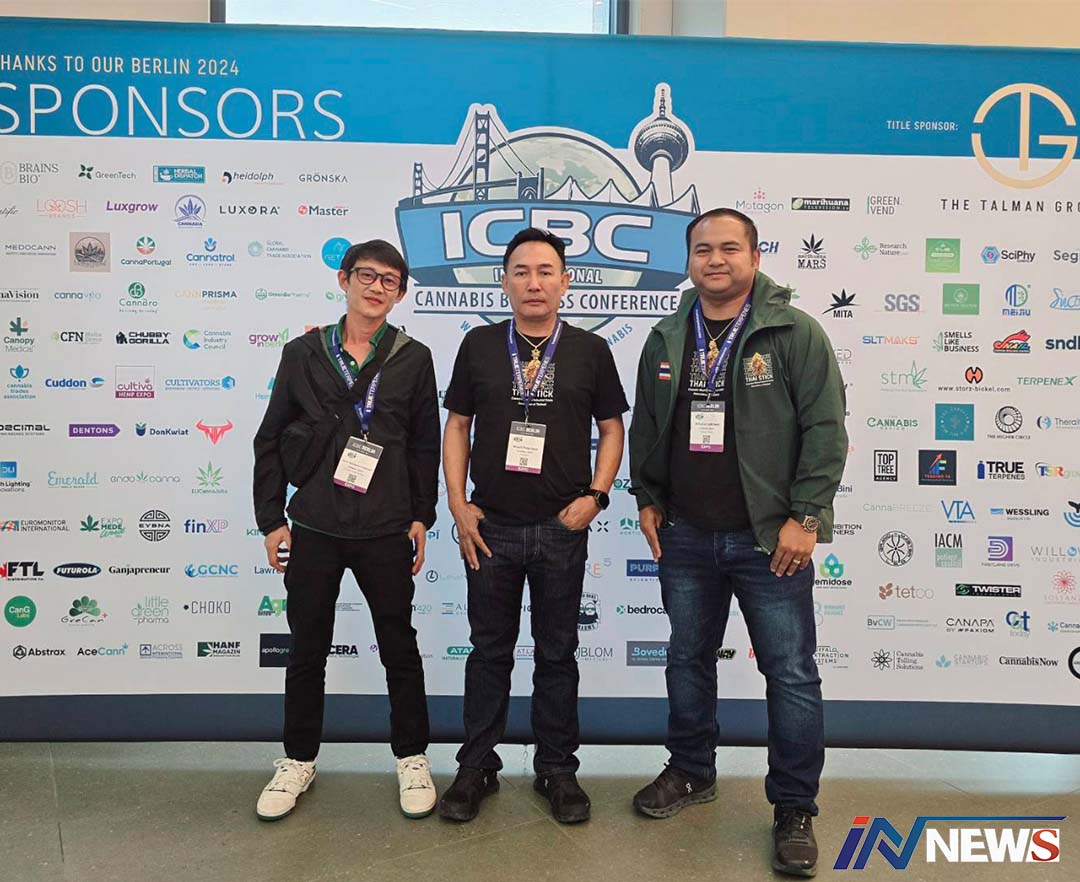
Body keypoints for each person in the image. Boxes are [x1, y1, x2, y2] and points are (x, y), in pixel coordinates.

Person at [628, 208, 848, 876]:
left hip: (769, 540)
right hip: (687, 535)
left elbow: (826, 428)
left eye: (729, 248)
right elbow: (648, 428)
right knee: (687, 658)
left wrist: (806, 517)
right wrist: (647, 498)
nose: (715, 260)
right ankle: (691, 770)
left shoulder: (793, 331)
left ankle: (795, 807)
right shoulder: (668, 335)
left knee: (790, 673)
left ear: (754, 256)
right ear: (688, 260)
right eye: (703, 249)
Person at [438, 227, 629, 824]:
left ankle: (557, 770)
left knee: (558, 654)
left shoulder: (591, 350)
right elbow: (458, 426)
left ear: (566, 281)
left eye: (546, 271)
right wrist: (457, 502)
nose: (534, 282)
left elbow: (613, 429)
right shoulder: (478, 345)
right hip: (490, 527)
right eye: (521, 271)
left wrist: (596, 496)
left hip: (561, 527)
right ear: (504, 282)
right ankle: (476, 767)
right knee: (488, 652)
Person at [252, 239, 440, 821]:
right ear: (344, 280)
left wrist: (422, 515)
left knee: (399, 647)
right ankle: (298, 760)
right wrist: (271, 520)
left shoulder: (413, 356)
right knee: (307, 648)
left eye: (389, 281)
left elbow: (425, 444)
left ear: (400, 293)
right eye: (367, 275)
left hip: (386, 525)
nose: (376, 287)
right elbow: (269, 437)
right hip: (315, 523)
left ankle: (412, 757)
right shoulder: (303, 353)